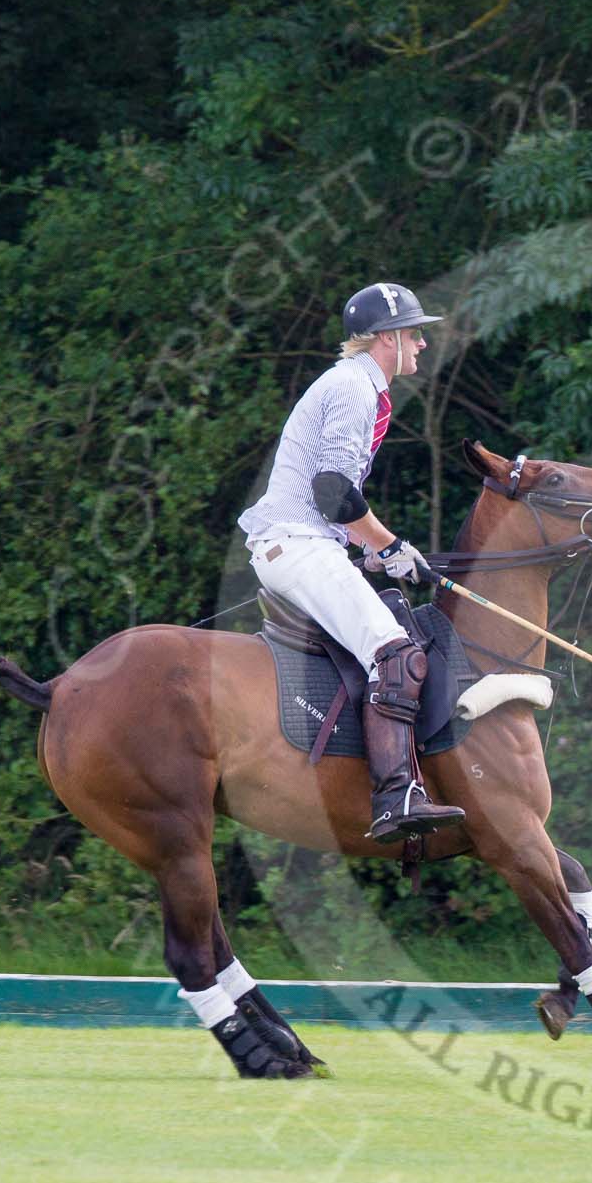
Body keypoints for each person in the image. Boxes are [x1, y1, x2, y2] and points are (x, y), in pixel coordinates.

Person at [236, 281, 467, 842]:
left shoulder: (361, 386)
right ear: (386, 338)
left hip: (306, 541)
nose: (421, 344)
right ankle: (395, 796)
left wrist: (376, 549)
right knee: (397, 655)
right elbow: (334, 489)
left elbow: (339, 505)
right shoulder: (353, 387)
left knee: (389, 638)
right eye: (414, 333)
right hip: (295, 541)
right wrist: (386, 543)